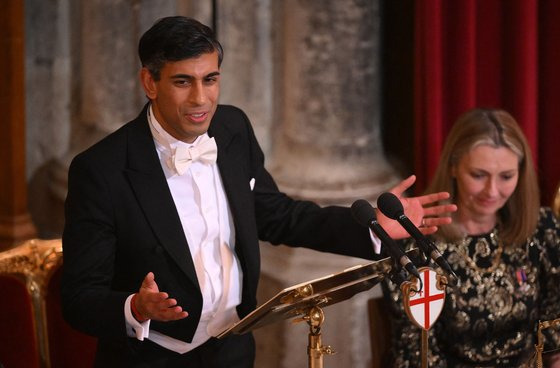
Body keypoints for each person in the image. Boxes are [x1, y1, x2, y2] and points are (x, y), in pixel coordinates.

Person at [60, 16, 455, 368]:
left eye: (210, 79)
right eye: (183, 82)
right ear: (150, 82)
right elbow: (80, 298)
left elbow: (276, 216)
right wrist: (135, 307)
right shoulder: (101, 171)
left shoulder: (232, 129)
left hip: (234, 349)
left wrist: (372, 228)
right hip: (152, 358)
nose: (201, 99)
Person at [383, 108, 560, 367]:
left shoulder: (542, 228)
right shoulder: (417, 246)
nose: (492, 191)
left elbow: (554, 329)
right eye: (478, 175)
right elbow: (417, 355)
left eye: (506, 177)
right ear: (453, 167)